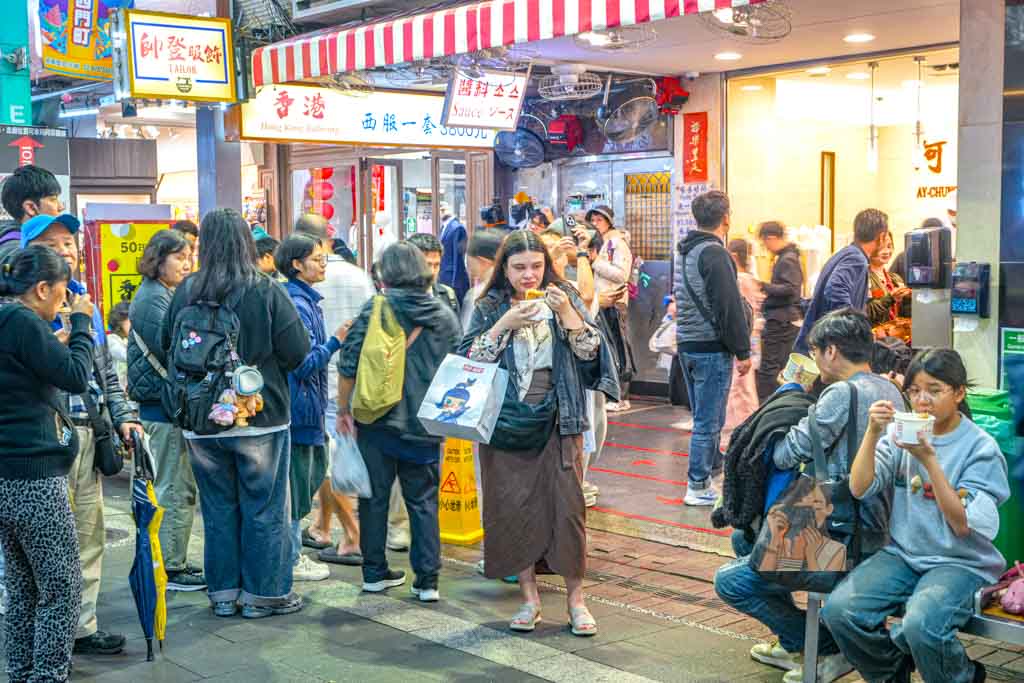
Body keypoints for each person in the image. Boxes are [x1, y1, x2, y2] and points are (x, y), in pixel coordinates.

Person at [714, 308, 904, 683]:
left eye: (816, 352)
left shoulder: (841, 394)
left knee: (731, 581)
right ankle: (796, 644)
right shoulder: (889, 389)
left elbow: (788, 451)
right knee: (744, 537)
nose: (815, 360)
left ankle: (827, 646)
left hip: (838, 537)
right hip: (878, 529)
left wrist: (791, 396)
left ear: (830, 351)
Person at [459, 230, 618, 636]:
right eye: (519, 267)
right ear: (504, 269)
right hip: (506, 425)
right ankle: (529, 601)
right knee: (514, 511)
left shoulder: (562, 295)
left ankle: (576, 602)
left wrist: (568, 315)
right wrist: (502, 326)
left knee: (568, 512)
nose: (529, 275)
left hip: (559, 421)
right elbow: (467, 359)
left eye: (536, 266)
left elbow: (592, 355)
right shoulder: (490, 303)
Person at [823, 349, 1009, 683]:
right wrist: (872, 433)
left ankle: (963, 676)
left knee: (921, 624)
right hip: (905, 554)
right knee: (839, 611)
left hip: (963, 562)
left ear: (959, 393)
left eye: (935, 390)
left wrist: (929, 460)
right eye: (915, 391)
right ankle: (892, 673)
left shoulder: (980, 448)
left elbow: (961, 524)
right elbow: (859, 487)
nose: (923, 400)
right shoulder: (900, 434)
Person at [162, 208, 311, 619]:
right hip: (259, 417)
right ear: (247, 242)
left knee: (218, 509)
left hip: (201, 419)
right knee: (264, 507)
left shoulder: (186, 290)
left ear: (204, 245)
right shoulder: (264, 289)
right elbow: (297, 352)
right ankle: (264, 596)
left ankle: (224, 594)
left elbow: (166, 346)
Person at [22, 212, 142, 655]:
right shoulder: (24, 314)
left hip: (89, 434)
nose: (65, 251)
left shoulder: (85, 304)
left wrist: (124, 414)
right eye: (53, 244)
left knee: (90, 535)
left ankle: (81, 626)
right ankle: (44, 629)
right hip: (46, 442)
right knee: (49, 545)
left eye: (69, 243)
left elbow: (105, 373)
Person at [336, 242, 461, 601]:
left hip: (376, 422)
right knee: (422, 501)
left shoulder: (375, 310)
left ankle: (374, 574)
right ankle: (427, 582)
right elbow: (457, 368)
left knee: (373, 499)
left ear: (385, 274)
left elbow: (348, 365)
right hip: (425, 425)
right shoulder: (443, 315)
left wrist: (344, 410)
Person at [0, 245, 94, 683]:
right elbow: (76, 375)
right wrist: (81, 323)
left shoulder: (7, 319)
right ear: (41, 288)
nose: (63, 301)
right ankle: (48, 676)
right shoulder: (22, 321)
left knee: (21, 589)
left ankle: (19, 674)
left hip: (4, 474)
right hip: (33, 475)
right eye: (60, 294)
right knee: (61, 588)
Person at [128, 228, 205, 592]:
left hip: (162, 407)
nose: (187, 263)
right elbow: (172, 348)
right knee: (173, 487)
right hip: (162, 408)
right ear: (159, 259)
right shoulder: (153, 299)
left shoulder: (160, 295)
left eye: (189, 255)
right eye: (179, 256)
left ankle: (172, 560)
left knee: (175, 485)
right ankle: (172, 566)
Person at [297, 214, 374, 562]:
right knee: (340, 458)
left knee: (331, 462)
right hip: (359, 380)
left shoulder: (306, 278)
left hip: (323, 380)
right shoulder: (360, 276)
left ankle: (353, 538)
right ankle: (323, 526)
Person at [276, 234, 351, 581]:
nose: (323, 264)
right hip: (301, 407)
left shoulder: (303, 300)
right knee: (297, 484)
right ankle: (290, 559)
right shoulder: (296, 303)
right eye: (317, 259)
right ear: (296, 264)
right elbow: (303, 363)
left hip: (307, 406)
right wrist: (336, 340)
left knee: (305, 479)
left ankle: (291, 555)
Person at [674, 191, 752, 506]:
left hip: (688, 344)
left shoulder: (686, 251)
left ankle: (712, 467)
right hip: (710, 348)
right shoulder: (715, 253)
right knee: (708, 422)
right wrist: (743, 350)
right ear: (726, 218)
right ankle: (698, 484)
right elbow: (728, 306)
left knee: (705, 417)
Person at [539, 227, 603, 507]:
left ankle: (578, 481)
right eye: (548, 249)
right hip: (552, 382)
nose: (556, 252)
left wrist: (580, 253)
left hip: (579, 376)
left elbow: (587, 297)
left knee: (588, 431)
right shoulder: (538, 291)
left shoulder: (569, 290)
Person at [795, 209, 889, 354]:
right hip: (827, 348)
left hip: (820, 345)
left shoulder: (847, 253)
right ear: (881, 236)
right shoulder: (855, 258)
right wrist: (856, 328)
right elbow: (835, 290)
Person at [589, 205, 635, 412]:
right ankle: (610, 393)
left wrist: (595, 262)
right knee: (606, 348)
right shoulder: (598, 243)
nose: (595, 223)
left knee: (618, 348)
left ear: (608, 221)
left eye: (599, 219)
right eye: (593, 220)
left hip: (614, 302)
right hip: (599, 301)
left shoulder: (616, 243)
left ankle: (622, 395)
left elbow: (621, 275)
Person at [756, 221, 804, 404]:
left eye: (764, 242)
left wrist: (764, 286)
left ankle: (769, 405)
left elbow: (791, 290)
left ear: (772, 238)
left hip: (781, 321)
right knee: (780, 365)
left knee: (772, 366)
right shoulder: (788, 257)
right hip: (785, 320)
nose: (765, 247)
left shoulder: (788, 259)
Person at [725, 239, 763, 432]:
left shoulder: (740, 280)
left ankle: (739, 425)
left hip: (743, 338)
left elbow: (742, 313)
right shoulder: (747, 279)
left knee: (740, 384)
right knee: (743, 384)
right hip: (748, 337)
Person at [0, 164, 64, 262]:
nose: (61, 207)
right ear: (31, 208)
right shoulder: (20, 255)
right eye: (53, 199)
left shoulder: (29, 243)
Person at [406, 232, 461, 315]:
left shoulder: (448, 295)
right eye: (427, 265)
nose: (432, 272)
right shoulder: (396, 299)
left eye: (436, 265)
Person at [867, 232, 912, 329]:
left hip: (895, 337)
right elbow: (866, 311)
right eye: (881, 247)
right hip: (875, 338)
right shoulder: (864, 278)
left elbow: (903, 312)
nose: (886, 251)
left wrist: (910, 297)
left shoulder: (895, 278)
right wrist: (891, 298)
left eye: (889, 246)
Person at [461, 229, 504, 330]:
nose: (467, 266)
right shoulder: (511, 287)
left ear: (482, 260)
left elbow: (466, 335)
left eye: (468, 260)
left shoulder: (477, 294)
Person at [438, 201, 470, 302]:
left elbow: (458, 258)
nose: (442, 210)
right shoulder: (444, 227)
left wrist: (456, 283)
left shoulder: (457, 228)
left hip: (453, 279)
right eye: (440, 209)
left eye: (445, 208)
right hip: (444, 277)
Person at [106, 301, 131, 392]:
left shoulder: (125, 340)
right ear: (119, 322)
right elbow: (127, 356)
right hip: (116, 391)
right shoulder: (112, 340)